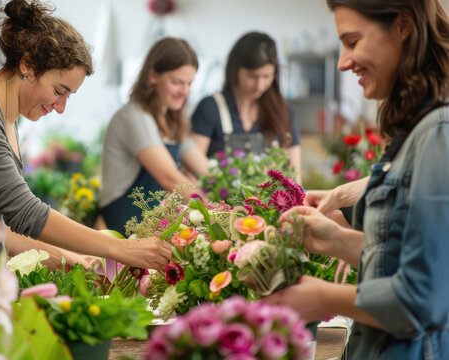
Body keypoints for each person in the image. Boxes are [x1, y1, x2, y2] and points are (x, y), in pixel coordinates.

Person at [0, 0, 171, 270]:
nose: (61, 108)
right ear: (28, 65)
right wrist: (122, 248)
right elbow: (24, 212)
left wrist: (76, 260)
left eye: (69, 96)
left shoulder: (6, 121)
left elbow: (2, 231)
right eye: (59, 91)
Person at [268, 0, 449, 359]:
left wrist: (321, 298)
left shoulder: (437, 134)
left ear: (402, 25)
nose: (342, 62)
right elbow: (402, 259)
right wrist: (334, 239)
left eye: (352, 42)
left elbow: (422, 299)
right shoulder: (417, 129)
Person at [100, 37, 208, 234]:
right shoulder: (135, 117)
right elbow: (171, 179)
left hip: (153, 226)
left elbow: (206, 171)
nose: (185, 91)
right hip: (123, 226)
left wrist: (230, 194)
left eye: (189, 83)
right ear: (152, 76)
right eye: (177, 82)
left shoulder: (173, 121)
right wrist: (212, 212)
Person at [191, 31, 301, 182]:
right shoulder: (210, 108)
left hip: (269, 205)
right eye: (252, 76)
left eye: (266, 77)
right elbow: (191, 171)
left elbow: (294, 175)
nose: (259, 85)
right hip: (218, 203)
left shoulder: (284, 112)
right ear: (235, 70)